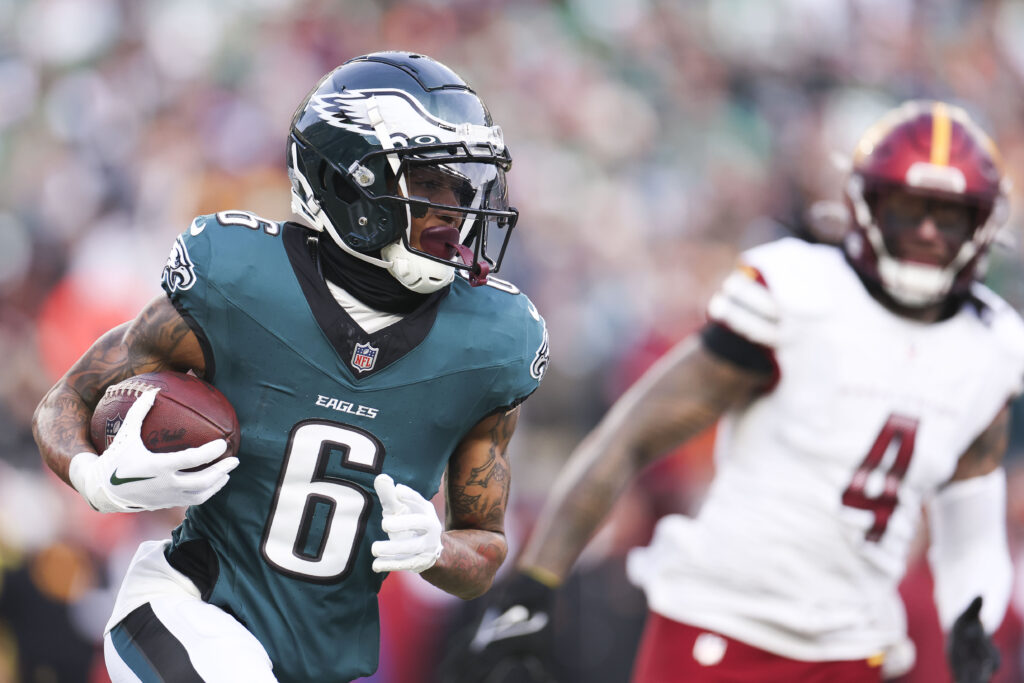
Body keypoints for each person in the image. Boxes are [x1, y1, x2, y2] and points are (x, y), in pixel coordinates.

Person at [32, 51, 549, 683]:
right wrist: (94, 478)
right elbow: (68, 401)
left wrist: (437, 550)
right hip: (187, 607)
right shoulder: (240, 282)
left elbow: (484, 546)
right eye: (427, 183)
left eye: (461, 187)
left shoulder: (492, 342)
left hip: (320, 664)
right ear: (345, 182)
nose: (454, 210)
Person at [462, 100, 1021, 683]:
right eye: (910, 209)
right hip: (721, 621)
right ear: (868, 204)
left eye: (949, 215)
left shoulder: (992, 348)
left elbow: (972, 525)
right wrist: (534, 585)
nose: (928, 232)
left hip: (856, 641)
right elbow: (630, 438)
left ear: (981, 224)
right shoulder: (801, 293)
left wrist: (972, 616)